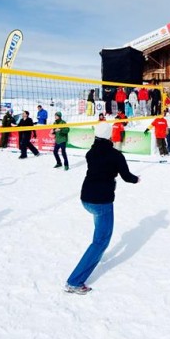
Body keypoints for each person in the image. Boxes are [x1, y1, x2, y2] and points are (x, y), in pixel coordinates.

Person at [65, 121, 139, 294]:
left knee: (99, 233)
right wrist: (137, 179)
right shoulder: (115, 155)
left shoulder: (90, 153)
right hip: (102, 201)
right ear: (109, 135)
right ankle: (74, 282)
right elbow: (127, 177)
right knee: (100, 241)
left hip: (86, 198)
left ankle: (96, 254)